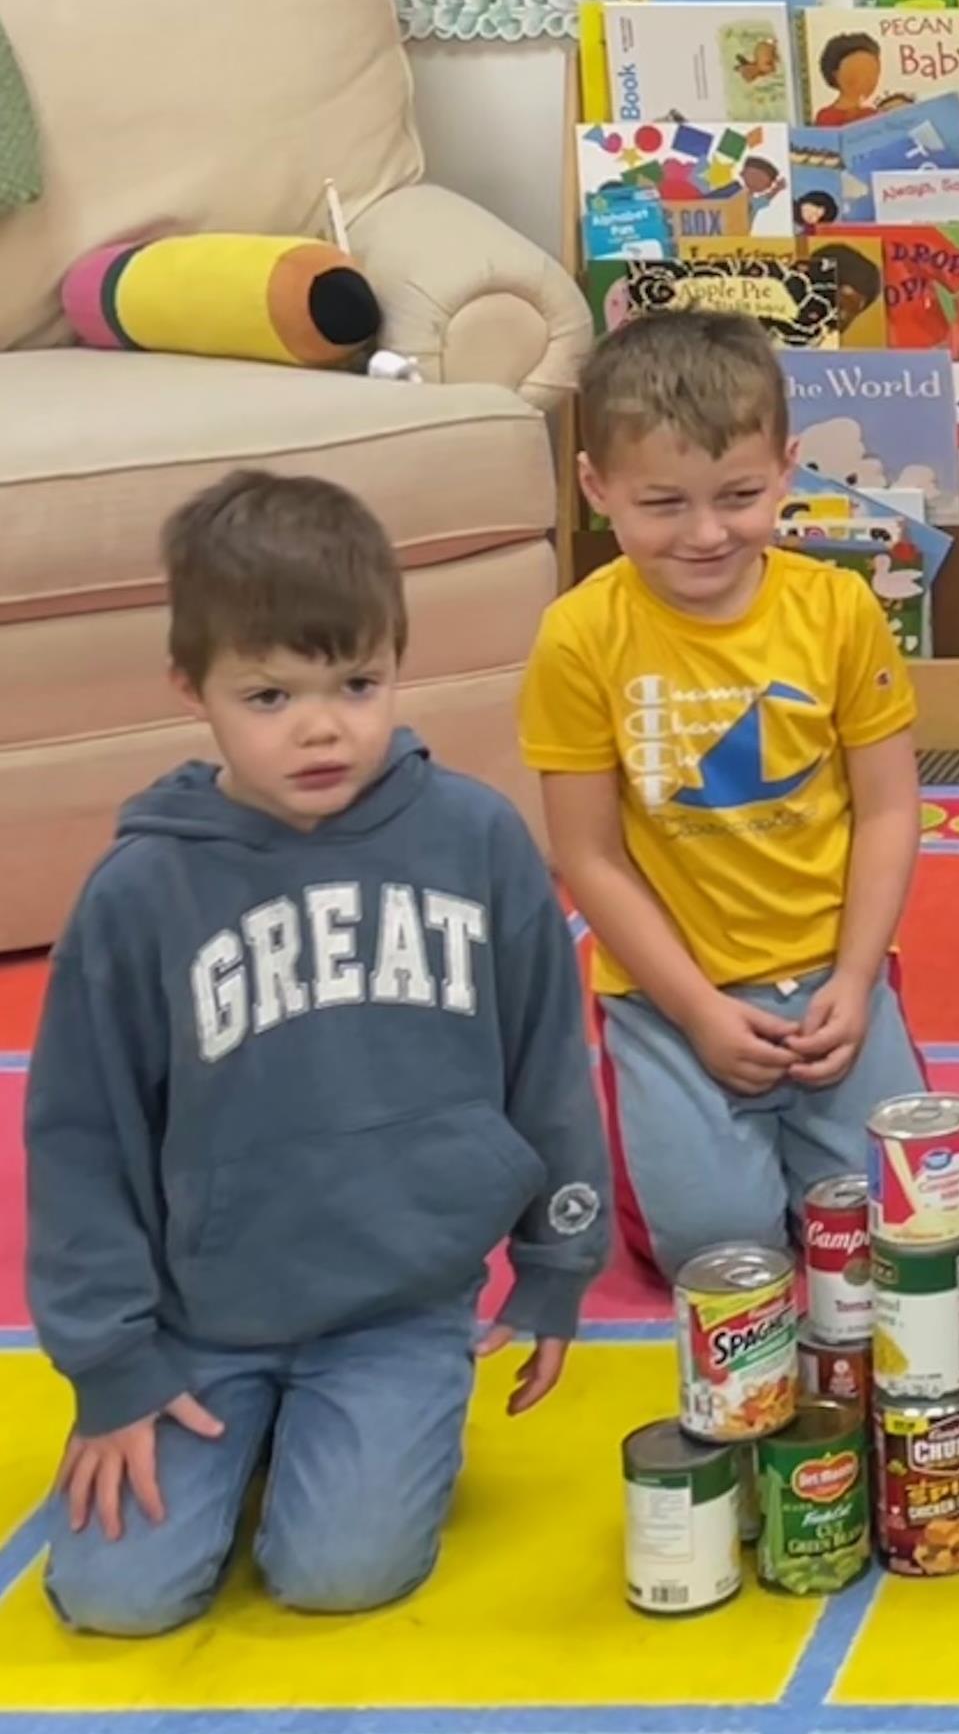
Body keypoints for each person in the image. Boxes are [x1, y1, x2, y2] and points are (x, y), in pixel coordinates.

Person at [29, 474, 605, 1636]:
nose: (322, 724)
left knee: (340, 1576)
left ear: (399, 657)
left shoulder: (476, 838)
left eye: (357, 681)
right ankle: (251, 1439)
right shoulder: (143, 890)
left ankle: (349, 1430)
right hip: (198, 1320)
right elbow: (80, 1136)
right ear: (190, 690)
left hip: (395, 1308)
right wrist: (111, 1370)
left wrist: (556, 1266)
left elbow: (548, 1055)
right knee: (112, 1599)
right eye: (269, 692)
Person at [521, 312, 927, 1277]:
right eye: (663, 504)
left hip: (834, 981)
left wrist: (856, 979)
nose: (707, 534)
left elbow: (888, 809)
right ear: (595, 488)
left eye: (740, 496)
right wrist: (698, 1010)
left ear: (787, 469)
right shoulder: (580, 637)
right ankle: (669, 1167)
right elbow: (587, 855)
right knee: (717, 1255)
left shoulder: (838, 608)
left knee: (903, 1230)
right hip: (671, 1000)